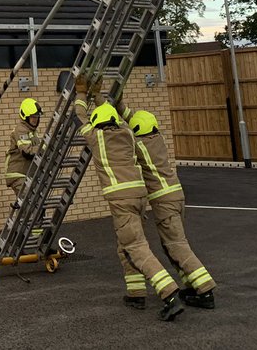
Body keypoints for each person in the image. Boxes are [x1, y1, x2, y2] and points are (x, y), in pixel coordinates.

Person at [74, 80, 184, 321]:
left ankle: (169, 294)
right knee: (125, 247)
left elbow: (79, 114)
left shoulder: (96, 138)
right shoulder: (126, 132)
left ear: (97, 124)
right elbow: (118, 116)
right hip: (139, 196)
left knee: (135, 246)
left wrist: (81, 94)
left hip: (120, 199)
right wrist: (99, 96)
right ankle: (136, 293)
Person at [127, 109, 217, 309]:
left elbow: (121, 134)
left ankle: (205, 291)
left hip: (164, 201)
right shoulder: (158, 139)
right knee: (173, 244)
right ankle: (193, 285)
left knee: (177, 245)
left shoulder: (138, 145)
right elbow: (130, 118)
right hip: (177, 196)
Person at [5, 98, 45, 240]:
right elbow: (27, 151)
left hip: (27, 174)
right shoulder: (21, 129)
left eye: (37, 117)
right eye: (33, 117)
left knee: (35, 204)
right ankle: (32, 238)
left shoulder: (32, 132)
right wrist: (45, 147)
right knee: (31, 200)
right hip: (18, 174)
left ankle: (28, 237)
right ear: (25, 116)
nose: (35, 120)